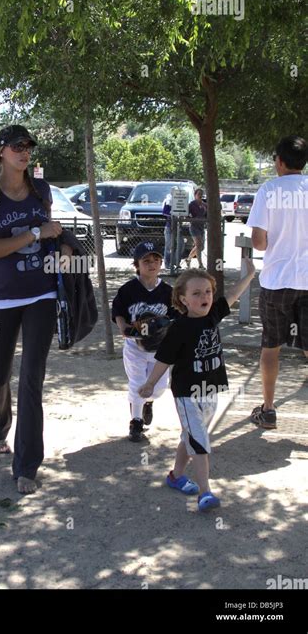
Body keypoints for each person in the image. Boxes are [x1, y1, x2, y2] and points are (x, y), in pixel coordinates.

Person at [0, 125, 73, 495]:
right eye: (17, 146)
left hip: (40, 295)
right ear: (0, 152)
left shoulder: (41, 190)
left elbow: (52, 231)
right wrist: (33, 235)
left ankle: (27, 464)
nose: (25, 152)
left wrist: (63, 246)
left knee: (32, 379)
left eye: (28, 146)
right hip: (0, 299)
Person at [138, 261, 256, 512]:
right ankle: (205, 492)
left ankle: (175, 476)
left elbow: (233, 294)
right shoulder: (178, 328)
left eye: (208, 292)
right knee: (200, 441)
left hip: (211, 389)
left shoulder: (213, 314)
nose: (205, 297)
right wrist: (149, 383)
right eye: (197, 293)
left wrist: (249, 275)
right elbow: (164, 359)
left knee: (190, 436)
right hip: (187, 394)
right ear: (183, 299)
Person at [247, 135, 308, 429]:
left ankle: (268, 410)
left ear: (280, 161)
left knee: (271, 346)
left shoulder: (268, 190)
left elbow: (259, 243)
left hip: (276, 280)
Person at [112, 241, 177, 442]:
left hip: (160, 349)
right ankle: (136, 421)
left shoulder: (168, 291)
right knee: (137, 383)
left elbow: (176, 316)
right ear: (136, 265)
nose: (152, 264)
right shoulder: (128, 290)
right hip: (135, 345)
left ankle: (147, 402)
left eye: (156, 260)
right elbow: (119, 312)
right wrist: (123, 328)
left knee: (157, 389)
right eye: (146, 260)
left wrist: (166, 326)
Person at [162, 193, 184, 271]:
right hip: (169, 227)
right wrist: (173, 213)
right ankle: (167, 264)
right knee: (169, 246)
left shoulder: (182, 201)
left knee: (181, 245)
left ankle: (176, 263)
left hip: (178, 227)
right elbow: (164, 212)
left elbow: (184, 212)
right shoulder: (168, 201)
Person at [186, 188, 207, 269]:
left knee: (201, 247)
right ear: (195, 195)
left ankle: (188, 259)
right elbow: (186, 215)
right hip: (194, 227)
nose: (200, 196)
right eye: (199, 194)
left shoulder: (205, 205)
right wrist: (192, 219)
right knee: (198, 245)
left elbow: (207, 215)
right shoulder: (191, 204)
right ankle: (200, 264)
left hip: (202, 227)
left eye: (201, 194)